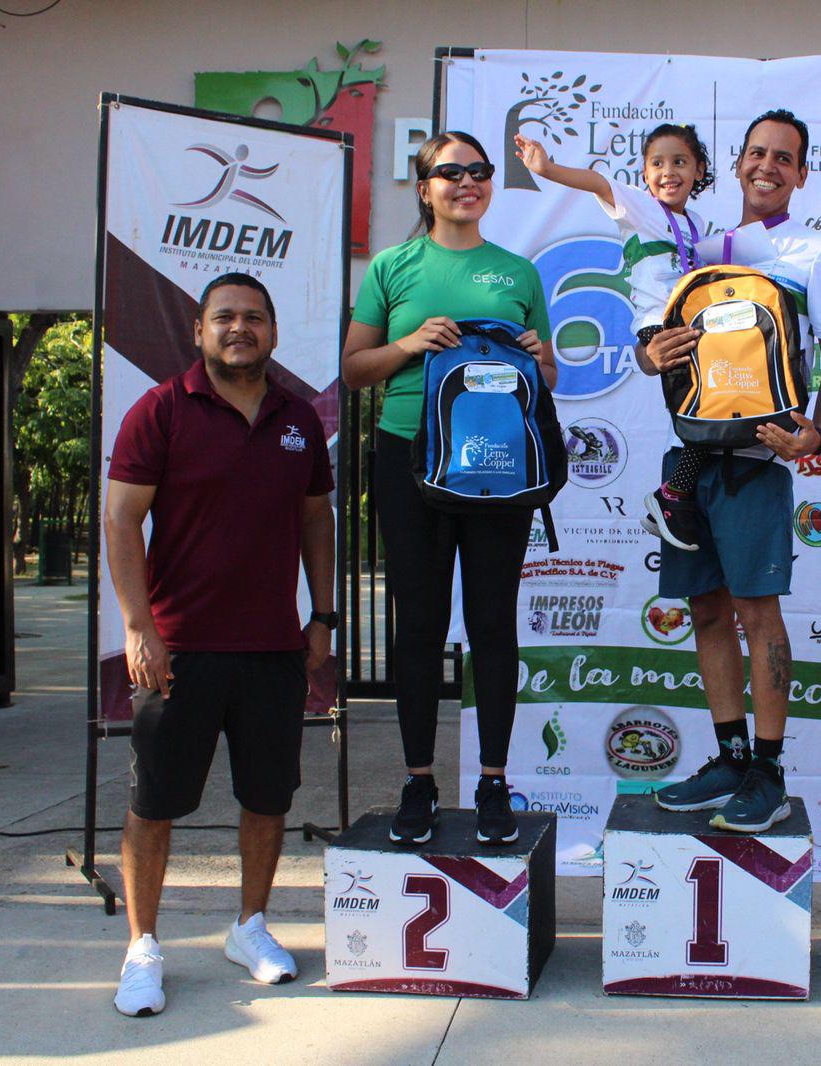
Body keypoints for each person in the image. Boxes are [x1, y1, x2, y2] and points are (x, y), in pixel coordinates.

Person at [105, 273, 335, 1016]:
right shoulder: (161, 411)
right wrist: (140, 628)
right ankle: (143, 947)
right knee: (155, 803)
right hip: (181, 649)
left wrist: (322, 617)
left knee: (267, 798)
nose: (241, 328)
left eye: (255, 318)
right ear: (199, 331)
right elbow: (120, 521)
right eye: (225, 318)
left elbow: (315, 522)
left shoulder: (299, 418)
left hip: (272, 648)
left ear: (273, 331)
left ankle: (250, 925)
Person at [640, 109, 821, 832]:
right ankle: (729, 755)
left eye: (784, 158)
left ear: (801, 172)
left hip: (760, 457)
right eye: (757, 153)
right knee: (706, 610)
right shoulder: (698, 242)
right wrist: (650, 354)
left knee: (758, 615)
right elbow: (660, 341)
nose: (768, 166)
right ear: (736, 164)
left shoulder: (815, 252)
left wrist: (817, 433)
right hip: (693, 450)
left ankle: (767, 767)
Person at [341, 132, 555, 849]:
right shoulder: (392, 267)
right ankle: (419, 780)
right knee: (420, 627)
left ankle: (494, 783)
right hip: (410, 461)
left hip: (499, 470)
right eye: (451, 172)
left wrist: (535, 356)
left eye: (480, 171)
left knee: (494, 626)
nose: (468, 182)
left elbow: (548, 379)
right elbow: (353, 370)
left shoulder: (519, 272)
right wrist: (408, 345)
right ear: (424, 187)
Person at [513, 123, 714, 551]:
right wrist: (548, 168)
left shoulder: (696, 223)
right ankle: (672, 497)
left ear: (698, 170)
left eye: (680, 161)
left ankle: (676, 495)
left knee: (708, 408)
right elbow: (599, 183)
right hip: (657, 325)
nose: (668, 172)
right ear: (643, 175)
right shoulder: (641, 207)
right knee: (701, 408)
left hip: (689, 326)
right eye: (657, 163)